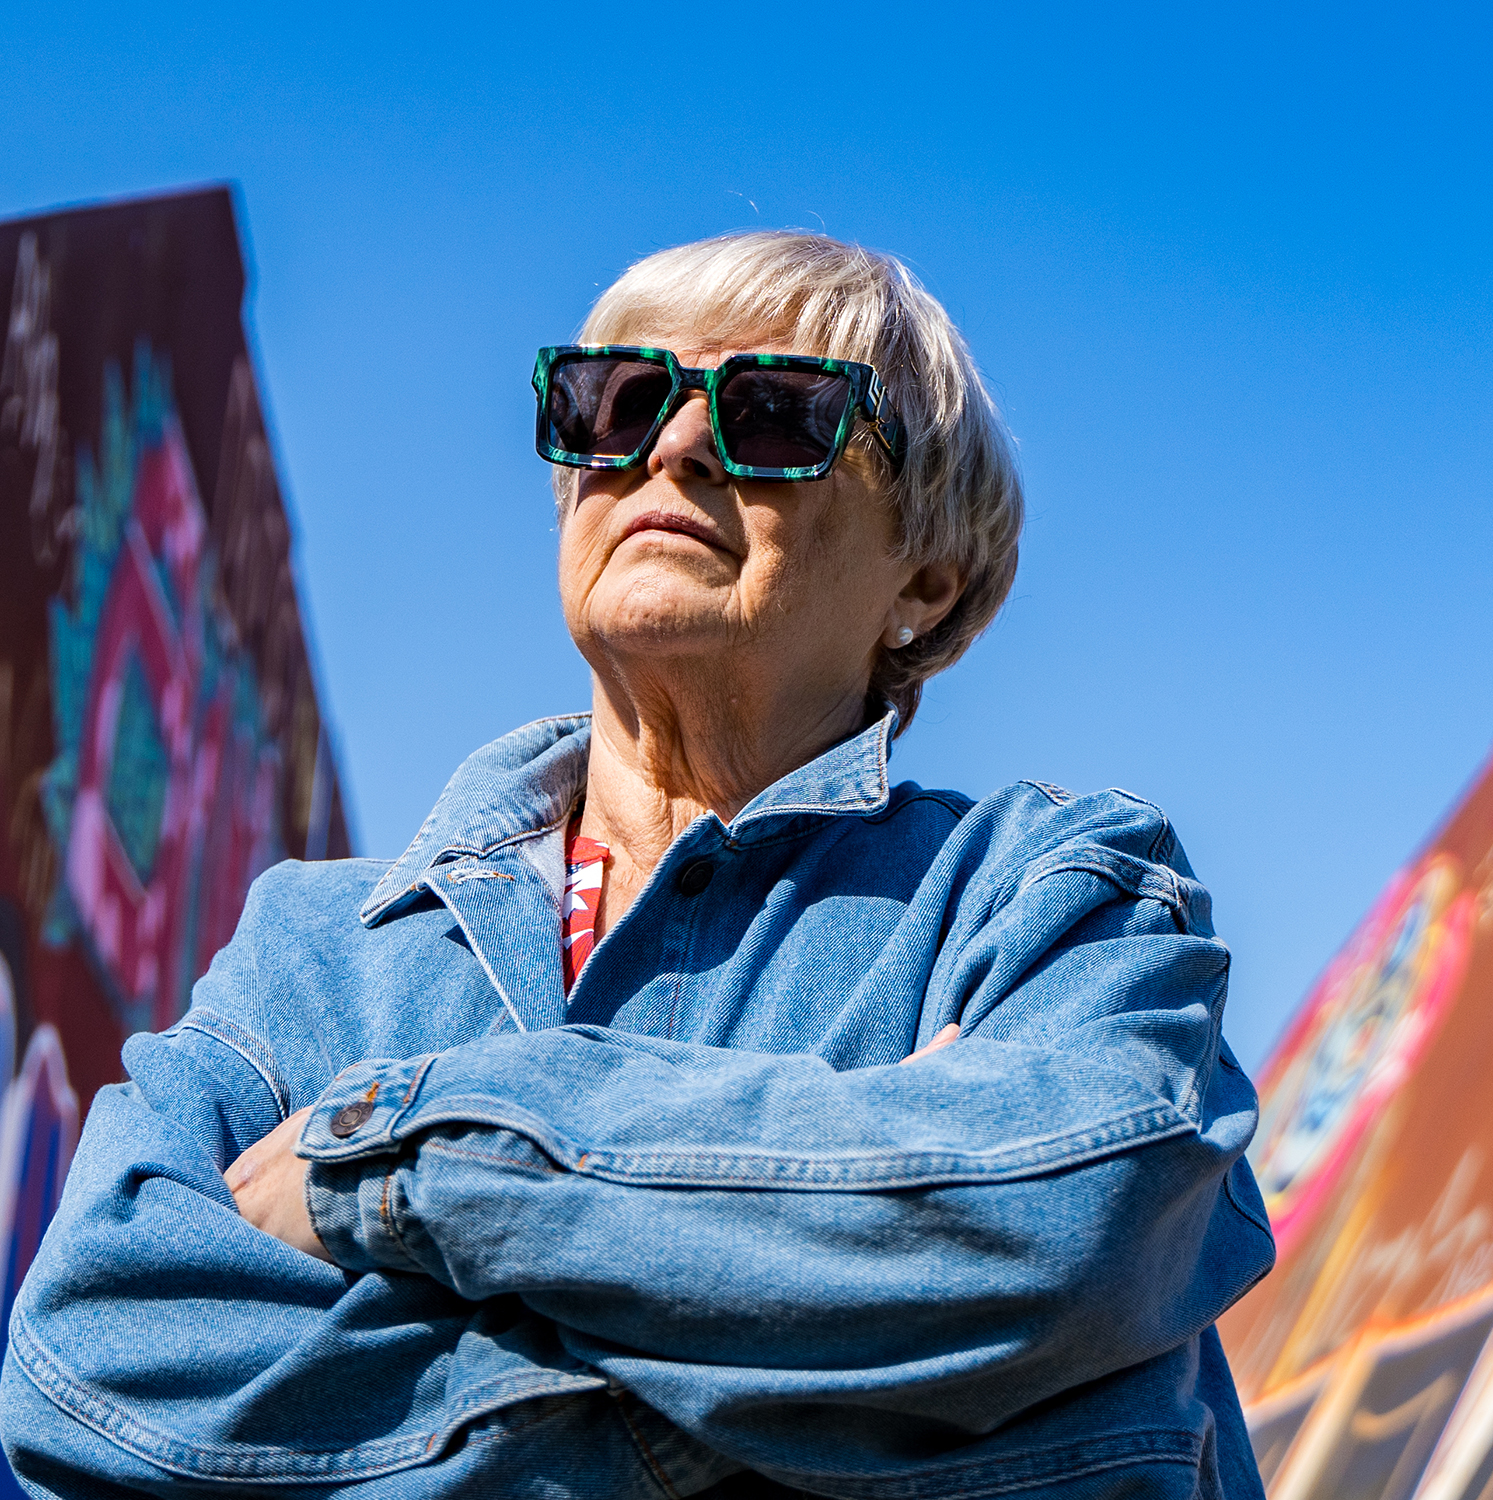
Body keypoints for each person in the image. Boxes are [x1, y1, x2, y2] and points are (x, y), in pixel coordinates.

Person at [0, 231, 1274, 1499]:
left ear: (926, 583)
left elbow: (1070, 1228)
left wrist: (408, 1159)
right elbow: (87, 1370)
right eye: (615, 401)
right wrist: (843, 1378)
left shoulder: (1049, 894)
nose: (673, 446)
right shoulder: (321, 951)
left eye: (775, 413)